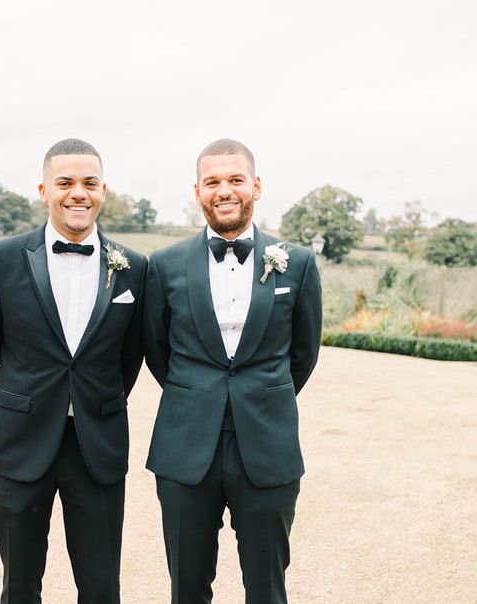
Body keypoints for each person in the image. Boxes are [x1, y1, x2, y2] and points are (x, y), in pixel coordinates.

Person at [0, 138, 147, 604]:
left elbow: (130, 358)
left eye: (89, 183)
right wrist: (0, 427)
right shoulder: (1, 259)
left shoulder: (133, 268)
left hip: (97, 445)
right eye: (64, 182)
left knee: (102, 586)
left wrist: (97, 402)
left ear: (103, 189)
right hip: (21, 442)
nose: (77, 193)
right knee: (20, 584)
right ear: (43, 190)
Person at [143, 139, 322, 603]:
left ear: (256, 187)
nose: (225, 190)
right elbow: (156, 351)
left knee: (267, 589)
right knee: (187, 588)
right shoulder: (162, 266)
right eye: (213, 181)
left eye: (236, 180)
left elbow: (302, 355)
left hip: (267, 447)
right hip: (185, 449)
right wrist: (196, 394)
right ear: (197, 191)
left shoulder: (297, 263)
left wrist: (260, 395)